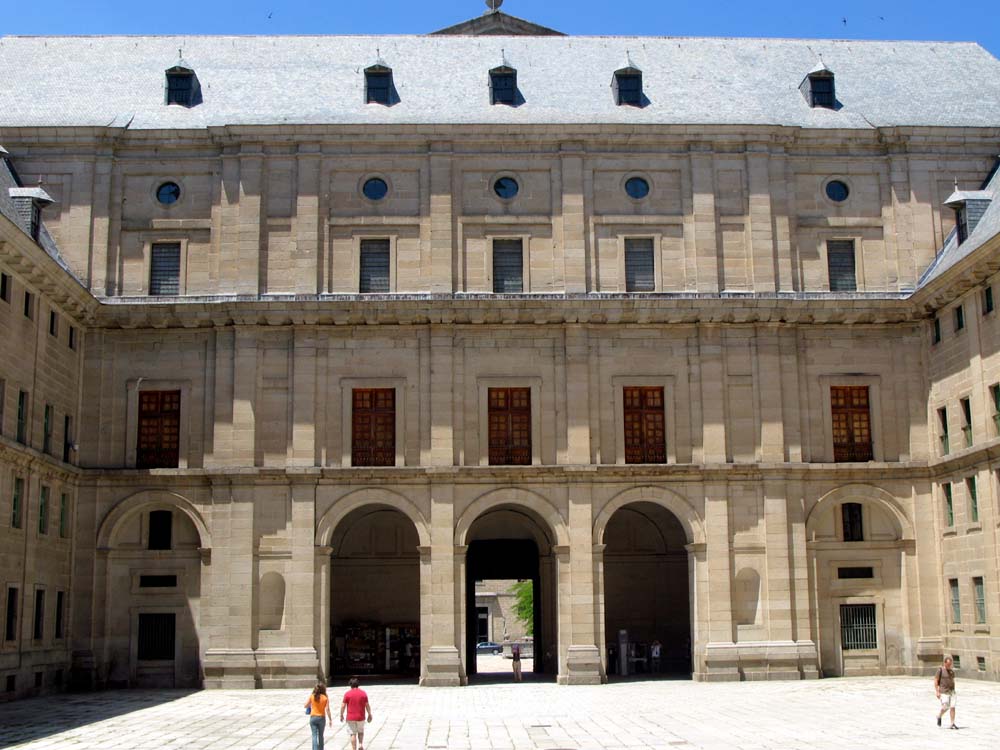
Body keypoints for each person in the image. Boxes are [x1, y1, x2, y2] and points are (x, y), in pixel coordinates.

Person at [340, 676, 373, 750]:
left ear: (350, 685)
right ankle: (360, 744)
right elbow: (367, 705)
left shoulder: (347, 694)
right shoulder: (363, 693)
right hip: (361, 716)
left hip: (350, 717)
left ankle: (353, 748)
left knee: (352, 733)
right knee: (361, 732)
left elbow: (343, 706)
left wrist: (341, 715)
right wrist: (369, 714)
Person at [304, 682, 333, 750]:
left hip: (313, 717)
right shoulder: (325, 697)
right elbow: (327, 709)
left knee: (314, 735)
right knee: (321, 735)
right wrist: (330, 719)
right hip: (321, 718)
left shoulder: (312, 696)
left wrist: (310, 705)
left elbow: (305, 705)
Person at [934, 656, 958, 729]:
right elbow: (936, 681)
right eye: (948, 664)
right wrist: (937, 692)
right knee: (945, 706)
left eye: (950, 664)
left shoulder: (952, 671)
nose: (949, 665)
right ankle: (939, 716)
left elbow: (953, 680)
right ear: (944, 663)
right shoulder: (940, 670)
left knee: (953, 707)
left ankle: (952, 723)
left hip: (952, 692)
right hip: (943, 691)